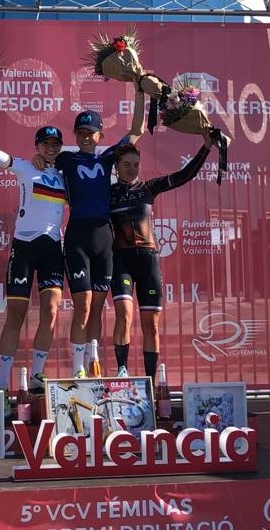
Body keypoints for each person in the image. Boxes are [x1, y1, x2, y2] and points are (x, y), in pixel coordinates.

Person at [41, 91, 145, 376]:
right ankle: (78, 370)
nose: (86, 137)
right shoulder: (66, 159)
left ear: (101, 135)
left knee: (97, 307)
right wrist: (38, 159)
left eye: (91, 133)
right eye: (81, 133)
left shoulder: (109, 157)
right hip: (78, 237)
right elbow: (45, 157)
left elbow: (137, 130)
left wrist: (139, 89)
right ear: (76, 135)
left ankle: (92, 360)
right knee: (83, 306)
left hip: (103, 239)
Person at [0, 119, 67, 396]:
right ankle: (3, 385)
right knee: (16, 314)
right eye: (45, 144)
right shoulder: (26, 167)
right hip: (24, 247)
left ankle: (37, 376)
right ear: (37, 146)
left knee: (51, 310)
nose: (50, 148)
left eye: (55, 144)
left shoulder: (65, 175)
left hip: (52, 248)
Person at [109, 140, 215, 378]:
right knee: (124, 315)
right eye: (126, 164)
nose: (132, 169)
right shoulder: (108, 194)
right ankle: (122, 371)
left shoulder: (148, 188)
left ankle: (150, 381)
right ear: (116, 166)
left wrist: (206, 147)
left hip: (148, 262)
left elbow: (185, 175)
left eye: (136, 165)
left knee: (152, 326)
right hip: (122, 262)